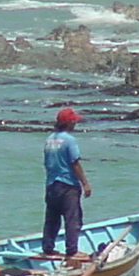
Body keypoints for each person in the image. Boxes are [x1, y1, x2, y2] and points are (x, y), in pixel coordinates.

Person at [41, 106, 91, 260]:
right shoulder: (70, 140)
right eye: (74, 121)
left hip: (51, 185)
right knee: (72, 219)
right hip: (68, 185)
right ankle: (72, 250)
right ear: (69, 123)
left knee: (52, 219)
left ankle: (48, 248)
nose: (75, 124)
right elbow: (74, 163)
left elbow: (47, 163)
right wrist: (85, 183)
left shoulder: (49, 140)